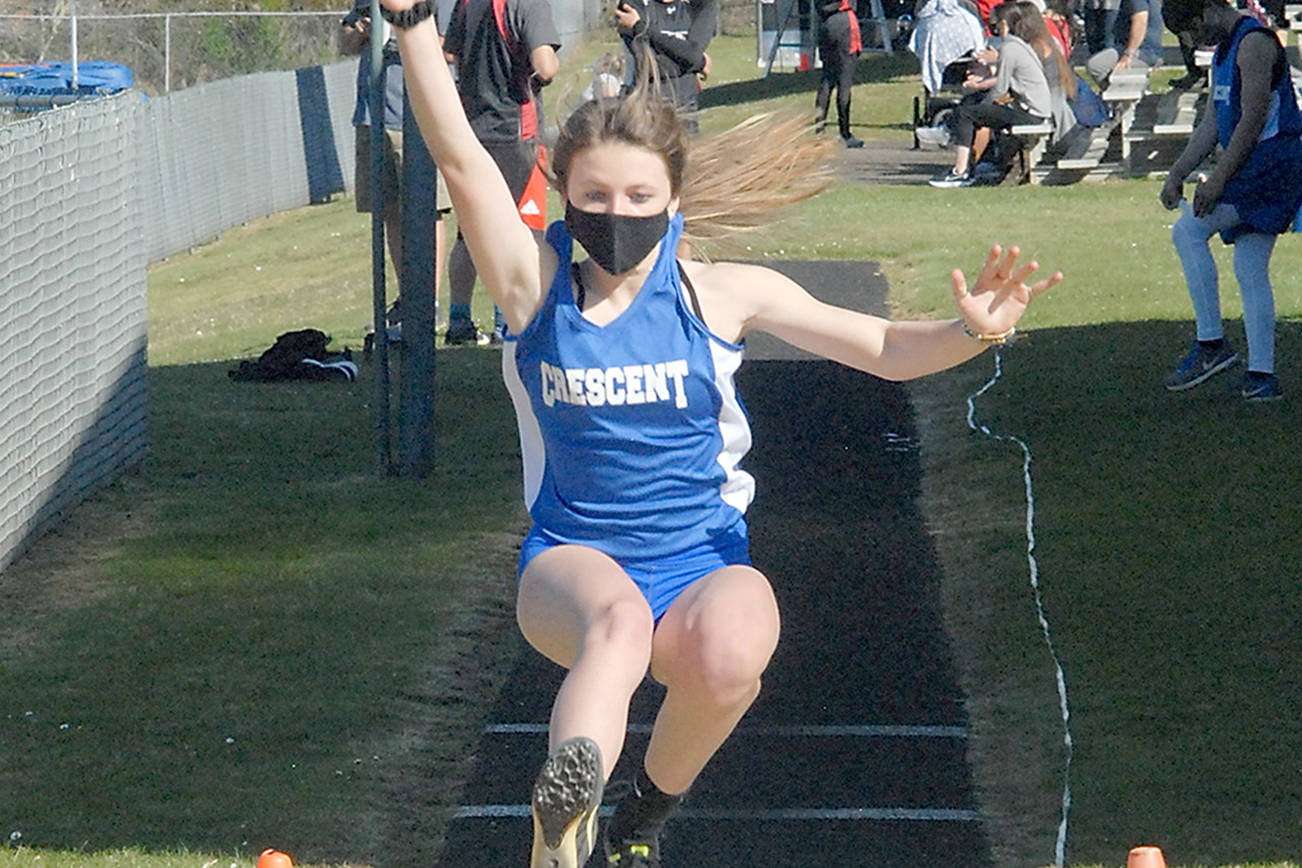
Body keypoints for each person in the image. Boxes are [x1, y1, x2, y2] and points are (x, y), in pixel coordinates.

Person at [382, 1, 1061, 864]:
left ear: (672, 201)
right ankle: (564, 819)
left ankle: (636, 825)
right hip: (572, 560)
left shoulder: (718, 295)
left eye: (637, 197)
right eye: (593, 196)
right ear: (561, 190)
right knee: (619, 624)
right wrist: (408, 24)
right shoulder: (535, 285)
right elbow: (461, 162)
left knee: (743, 639)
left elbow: (885, 350)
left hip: (699, 560)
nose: (614, 214)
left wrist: (973, 330)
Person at [1159, 0, 1302, 401]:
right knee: (1250, 266)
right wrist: (1178, 172)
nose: (1193, 41)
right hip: (1257, 165)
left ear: (1206, 11)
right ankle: (1262, 378)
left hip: (1271, 165)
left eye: (1191, 30)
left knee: (1188, 231)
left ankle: (1212, 345)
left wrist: (1218, 179)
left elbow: (1252, 118)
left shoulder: (1253, 44)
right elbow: (1213, 121)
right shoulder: (1224, 50)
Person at [441, 0, 561, 344]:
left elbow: (451, 53)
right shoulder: (528, 4)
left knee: (471, 232)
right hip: (515, 133)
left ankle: (459, 320)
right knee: (523, 231)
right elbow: (545, 66)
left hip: (474, 131)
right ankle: (507, 322)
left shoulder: (467, 3)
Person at [340, 0, 454, 338]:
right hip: (372, 115)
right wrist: (361, 32)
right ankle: (407, 299)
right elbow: (345, 41)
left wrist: (399, 34)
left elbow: (448, 46)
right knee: (390, 210)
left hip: (417, 115)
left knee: (426, 210)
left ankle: (427, 304)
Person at [930, 1, 1069, 186]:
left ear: (1004, 24)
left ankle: (960, 170)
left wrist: (983, 104)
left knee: (966, 113)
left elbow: (1000, 88)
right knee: (974, 108)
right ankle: (960, 148)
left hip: (1031, 113)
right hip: (1033, 110)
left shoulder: (1010, 47)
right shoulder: (1019, 45)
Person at [614, 0, 718, 133]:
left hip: (685, 109)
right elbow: (650, 65)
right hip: (644, 107)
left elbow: (692, 54)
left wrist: (640, 27)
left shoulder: (700, 4)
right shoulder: (633, 4)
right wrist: (698, 63)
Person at [814, 0, 866, 147]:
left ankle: (819, 131)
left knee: (827, 79)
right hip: (844, 23)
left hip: (825, 23)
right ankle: (845, 133)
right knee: (844, 81)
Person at [1085, 0, 1164, 90]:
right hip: (1131, 48)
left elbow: (1141, 19)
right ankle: (1119, 94)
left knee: (1095, 65)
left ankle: (1118, 95)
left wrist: (1128, 54)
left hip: (1144, 51)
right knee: (1096, 63)